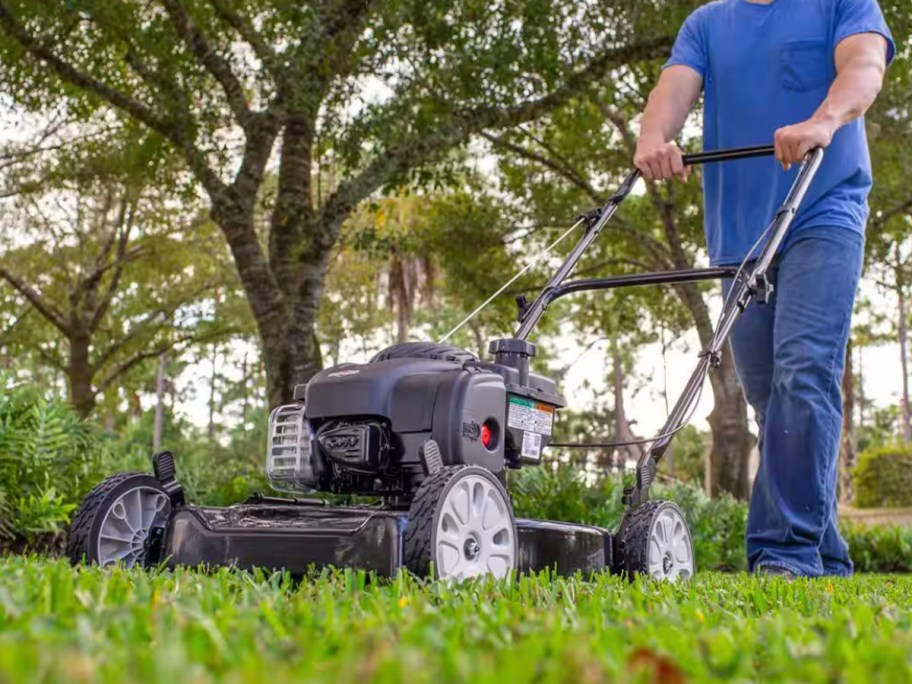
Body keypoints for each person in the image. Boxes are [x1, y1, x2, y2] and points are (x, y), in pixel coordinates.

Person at [634, 0, 894, 578]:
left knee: (805, 370)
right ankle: (825, 554)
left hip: (824, 211)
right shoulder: (707, 22)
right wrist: (654, 137)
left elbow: (865, 66)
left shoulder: (843, 3)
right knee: (771, 399)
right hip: (739, 236)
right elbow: (674, 89)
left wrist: (823, 120)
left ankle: (784, 552)